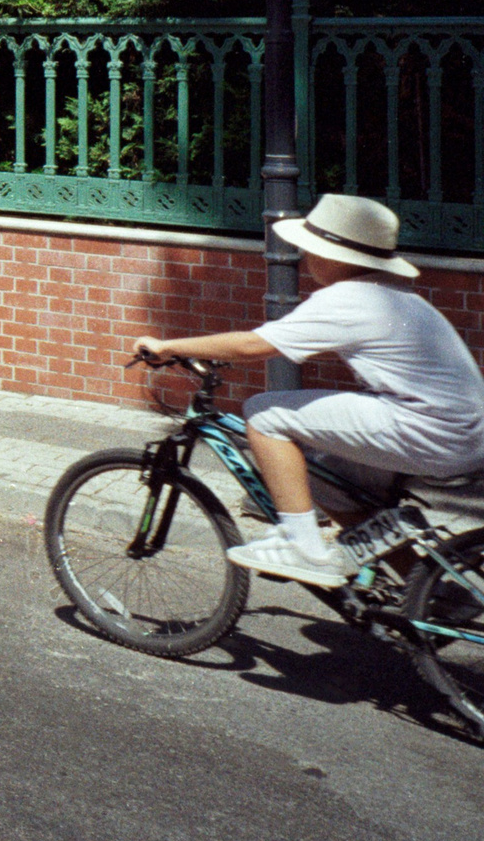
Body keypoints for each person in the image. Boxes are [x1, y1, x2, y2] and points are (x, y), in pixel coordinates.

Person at [134, 192, 484, 586]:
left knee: (267, 412)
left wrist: (168, 347)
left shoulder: (348, 299)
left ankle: (301, 546)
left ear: (336, 256)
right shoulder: (397, 297)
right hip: (461, 433)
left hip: (430, 432)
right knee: (327, 478)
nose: (305, 258)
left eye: (310, 250)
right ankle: (429, 589)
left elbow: (254, 346)